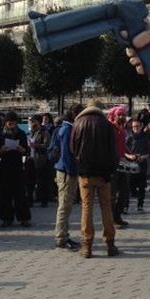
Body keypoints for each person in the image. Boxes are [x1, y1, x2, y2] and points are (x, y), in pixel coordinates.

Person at [71, 99, 119, 258]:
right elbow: (114, 151)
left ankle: (87, 246)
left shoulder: (78, 124)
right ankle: (110, 244)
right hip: (104, 174)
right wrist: (111, 170)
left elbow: (73, 148)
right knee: (106, 207)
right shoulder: (107, 125)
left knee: (86, 208)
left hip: (85, 173)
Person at [53, 104, 83, 251]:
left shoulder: (69, 128)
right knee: (64, 205)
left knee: (67, 205)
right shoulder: (67, 129)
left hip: (68, 171)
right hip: (66, 172)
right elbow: (66, 155)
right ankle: (61, 237)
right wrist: (73, 173)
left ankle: (64, 234)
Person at [0, 111, 31, 227]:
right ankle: (6, 218)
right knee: (5, 193)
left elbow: (26, 150)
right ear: (6, 123)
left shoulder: (21, 134)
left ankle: (24, 217)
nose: (12, 125)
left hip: (17, 166)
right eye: (10, 123)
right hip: (4, 166)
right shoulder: (1, 134)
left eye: (14, 123)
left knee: (20, 193)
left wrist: (22, 150)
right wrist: (2, 150)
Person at [126, 117, 150, 212]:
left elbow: (149, 152)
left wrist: (142, 157)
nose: (135, 128)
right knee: (128, 187)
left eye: (137, 126)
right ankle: (126, 206)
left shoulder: (145, 138)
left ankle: (140, 205)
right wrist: (130, 156)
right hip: (130, 164)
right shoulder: (128, 137)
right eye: (133, 127)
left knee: (141, 187)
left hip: (141, 165)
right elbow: (123, 151)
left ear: (141, 127)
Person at [29, 114, 52, 208]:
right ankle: (32, 199)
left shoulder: (44, 132)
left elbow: (47, 145)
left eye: (33, 121)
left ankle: (44, 200)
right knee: (31, 181)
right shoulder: (32, 131)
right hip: (32, 158)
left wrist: (36, 145)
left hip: (41, 159)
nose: (32, 123)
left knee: (42, 181)